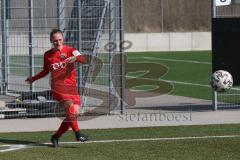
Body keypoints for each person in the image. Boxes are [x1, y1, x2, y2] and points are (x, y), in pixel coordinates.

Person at [25, 28, 89, 147]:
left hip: (72, 87)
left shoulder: (71, 50)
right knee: (69, 106)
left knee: (73, 114)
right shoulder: (48, 55)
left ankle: (56, 136)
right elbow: (45, 71)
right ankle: (78, 133)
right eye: (55, 40)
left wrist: (76, 58)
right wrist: (33, 78)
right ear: (51, 40)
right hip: (58, 87)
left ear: (63, 39)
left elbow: (84, 59)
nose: (58, 42)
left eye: (60, 40)